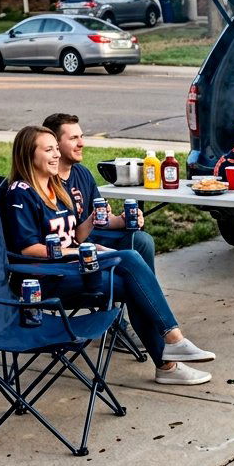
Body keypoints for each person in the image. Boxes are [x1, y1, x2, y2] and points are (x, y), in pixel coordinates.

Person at [4, 126, 215, 386]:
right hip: (45, 280)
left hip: (74, 269)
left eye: (56, 149)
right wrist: (81, 251)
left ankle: (171, 353)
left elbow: (77, 236)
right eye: (49, 150)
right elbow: (28, 249)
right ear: (28, 154)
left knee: (134, 279)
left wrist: (92, 221)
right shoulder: (20, 193)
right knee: (130, 265)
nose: (56, 155)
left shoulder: (55, 187)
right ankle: (171, 352)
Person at [43, 112, 154, 353]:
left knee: (141, 240)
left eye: (81, 136)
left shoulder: (81, 173)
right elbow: (69, 236)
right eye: (73, 138)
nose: (82, 143)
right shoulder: (45, 181)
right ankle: (125, 322)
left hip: (91, 237)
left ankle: (147, 321)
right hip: (73, 251)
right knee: (129, 264)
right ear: (54, 144)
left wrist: (122, 221)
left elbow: (101, 218)